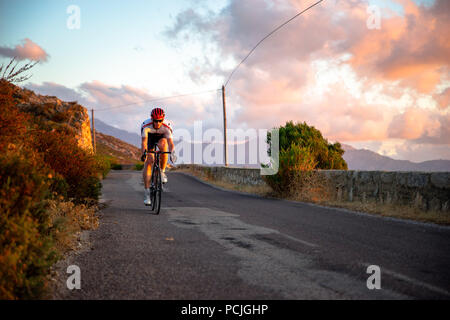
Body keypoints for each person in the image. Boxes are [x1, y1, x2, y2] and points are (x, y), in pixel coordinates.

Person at [140, 107, 176, 206]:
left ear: (163, 119)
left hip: (162, 137)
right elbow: (144, 143)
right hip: (150, 138)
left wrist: (172, 153)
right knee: (149, 160)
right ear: (152, 119)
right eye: (155, 121)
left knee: (164, 146)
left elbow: (171, 143)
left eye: (160, 121)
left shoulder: (166, 126)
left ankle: (162, 171)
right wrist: (144, 154)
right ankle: (147, 193)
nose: (157, 123)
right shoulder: (146, 125)